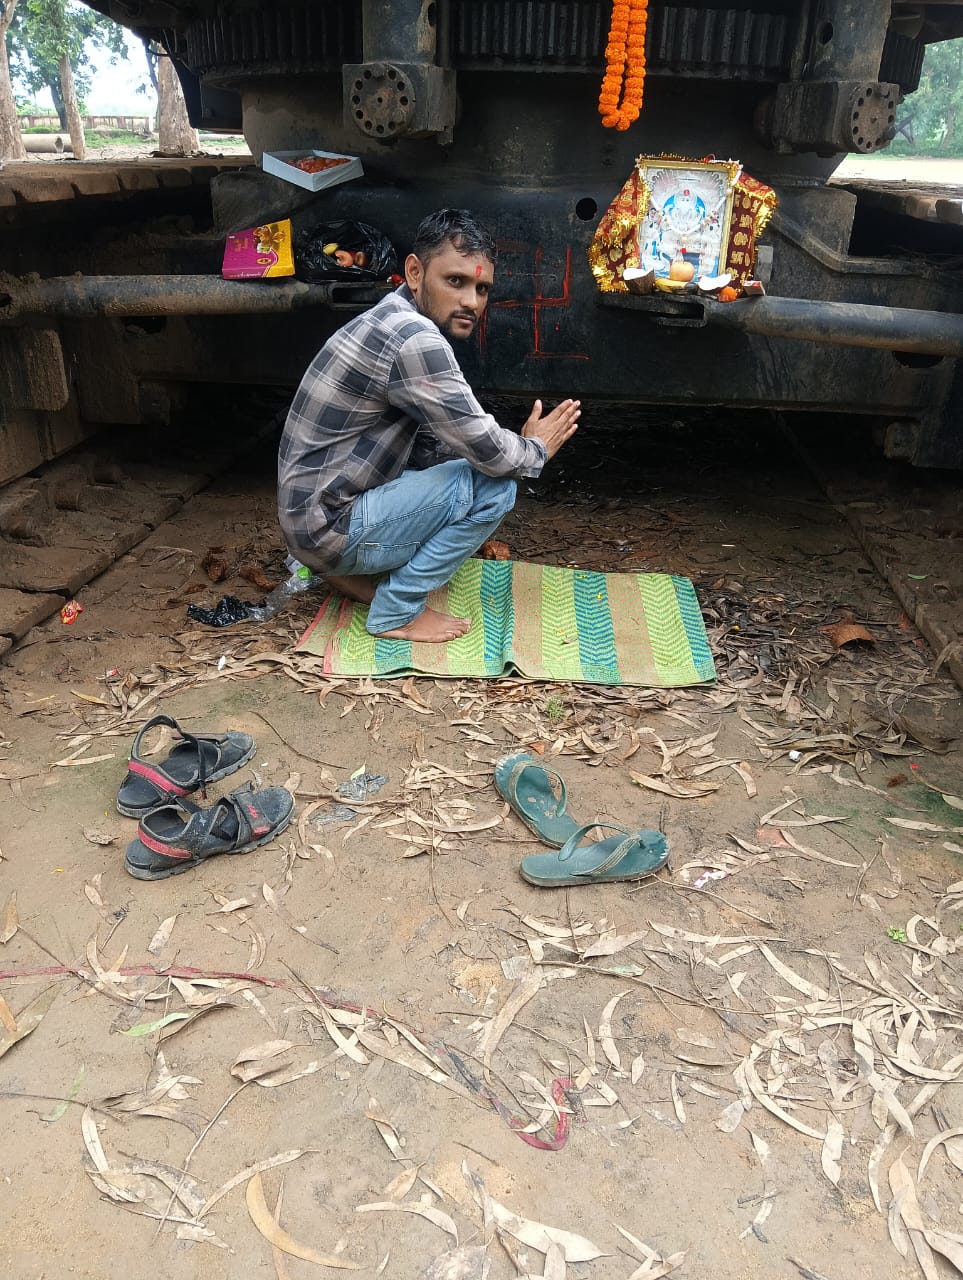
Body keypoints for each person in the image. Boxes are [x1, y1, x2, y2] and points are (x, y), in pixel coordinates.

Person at [277, 208, 580, 644]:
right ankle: (396, 610)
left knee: (454, 464)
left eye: (482, 288)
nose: (471, 301)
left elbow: (439, 442)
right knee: (495, 488)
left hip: (307, 522)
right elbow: (489, 452)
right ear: (415, 272)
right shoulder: (414, 337)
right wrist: (535, 449)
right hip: (326, 529)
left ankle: (343, 572)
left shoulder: (390, 315)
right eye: (455, 281)